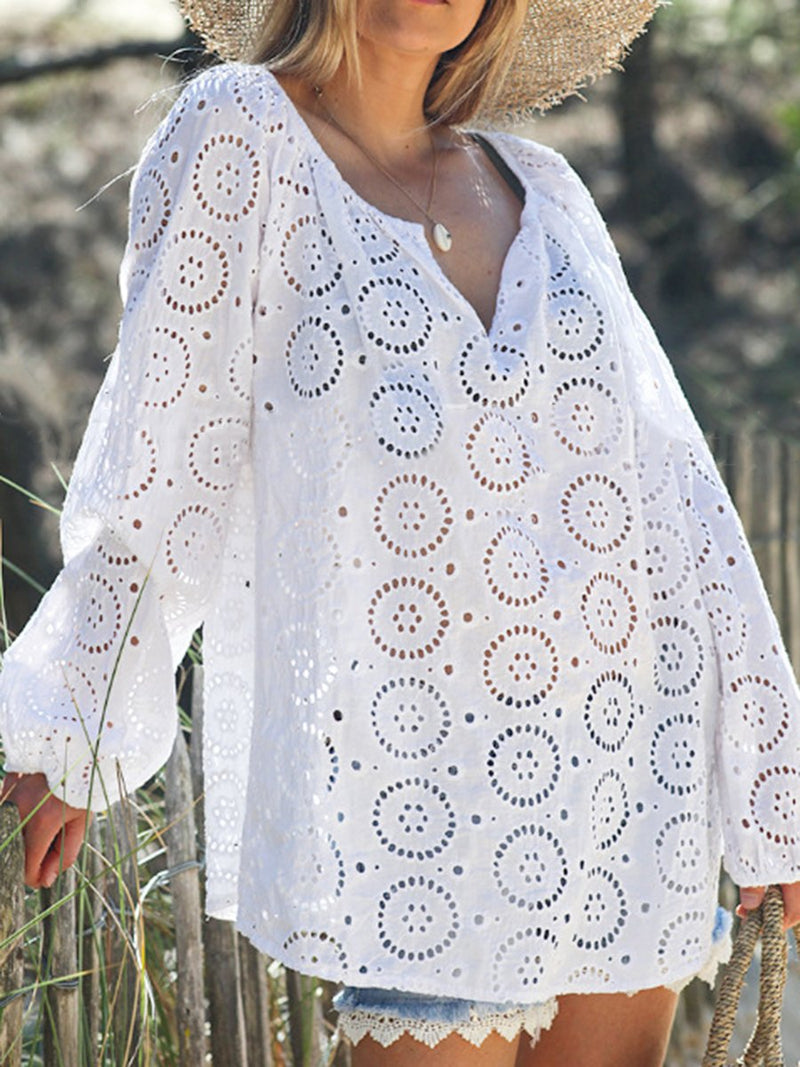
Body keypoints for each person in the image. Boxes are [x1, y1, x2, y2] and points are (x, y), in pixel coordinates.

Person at [2, 1, 800, 1064]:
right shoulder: (242, 132)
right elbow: (166, 456)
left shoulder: (545, 189)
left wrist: (772, 784)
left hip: (627, 781)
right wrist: (79, 721)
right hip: (420, 796)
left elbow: (682, 501)